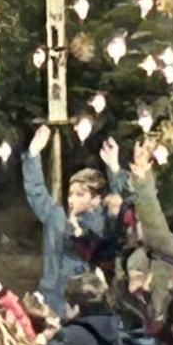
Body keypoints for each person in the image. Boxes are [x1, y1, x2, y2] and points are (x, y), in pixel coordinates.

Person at [21, 126, 127, 315]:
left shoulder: (103, 221)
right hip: (51, 298)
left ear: (95, 199)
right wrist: (33, 154)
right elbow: (37, 194)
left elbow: (119, 207)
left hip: (84, 299)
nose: (72, 199)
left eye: (80, 195)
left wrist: (114, 169)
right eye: (71, 194)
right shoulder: (57, 217)